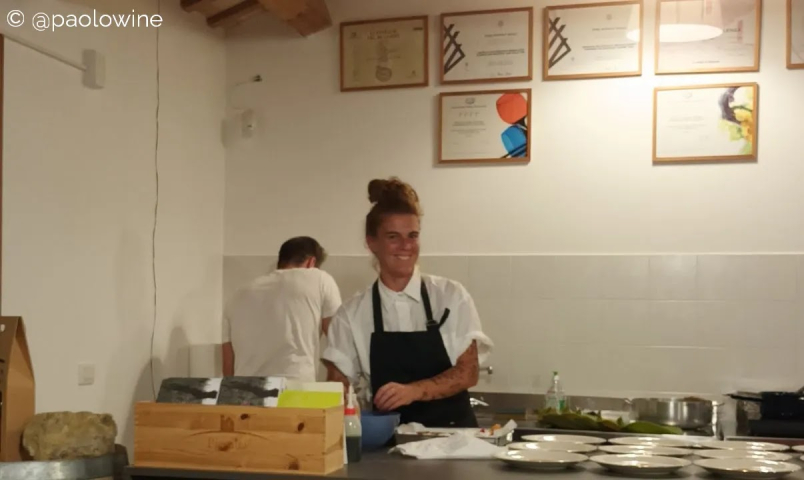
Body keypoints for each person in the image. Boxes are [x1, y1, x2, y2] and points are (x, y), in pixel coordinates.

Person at [322, 178, 493, 428]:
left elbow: (468, 372)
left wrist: (414, 391)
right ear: (371, 243)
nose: (406, 246)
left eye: (413, 236)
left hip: (454, 439)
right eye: (393, 237)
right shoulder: (351, 314)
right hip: (389, 442)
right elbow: (338, 387)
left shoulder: (451, 296)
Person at [222, 236, 341, 382]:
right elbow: (338, 337)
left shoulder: (238, 294)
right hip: (295, 387)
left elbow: (228, 361)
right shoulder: (320, 278)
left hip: (247, 390)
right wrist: (336, 385)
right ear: (312, 262)